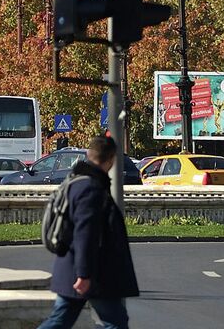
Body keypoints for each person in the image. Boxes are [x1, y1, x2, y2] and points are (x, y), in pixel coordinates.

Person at [39, 135, 138, 329]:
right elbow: (85, 233)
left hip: (75, 269)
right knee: (115, 323)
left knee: (60, 320)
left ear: (88, 155)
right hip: (91, 273)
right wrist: (84, 275)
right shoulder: (91, 188)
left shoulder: (76, 181)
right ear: (110, 160)